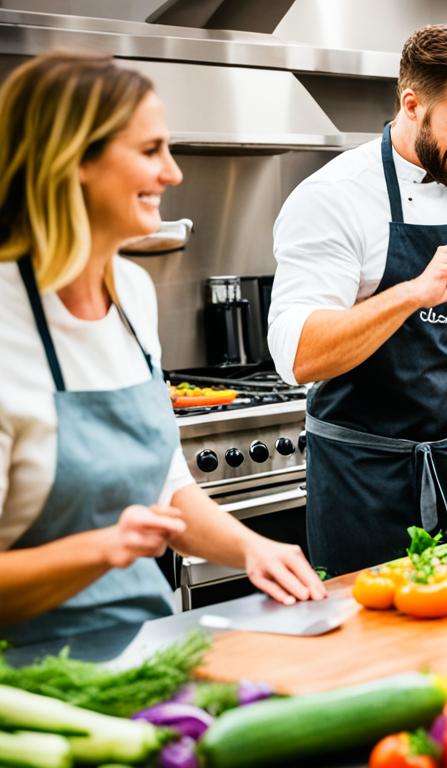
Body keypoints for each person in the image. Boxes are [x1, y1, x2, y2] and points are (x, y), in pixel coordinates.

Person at [0, 52, 325, 645]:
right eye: (150, 151)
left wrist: (254, 549)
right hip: (28, 675)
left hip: (146, 641)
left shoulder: (130, 292)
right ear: (73, 160)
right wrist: (101, 549)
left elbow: (169, 488)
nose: (173, 174)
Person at [268, 25, 447, 574]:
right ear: (412, 104)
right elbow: (298, 356)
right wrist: (413, 293)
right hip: (361, 480)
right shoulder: (335, 197)